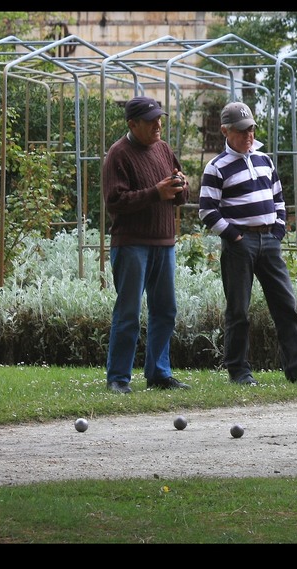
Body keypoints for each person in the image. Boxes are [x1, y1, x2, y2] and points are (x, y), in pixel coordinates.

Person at [198, 101, 297, 386]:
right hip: (240, 245)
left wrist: (278, 229)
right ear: (225, 131)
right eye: (242, 131)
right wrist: (235, 237)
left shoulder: (264, 160)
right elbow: (207, 210)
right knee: (238, 310)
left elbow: (278, 197)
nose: (248, 136)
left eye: (251, 129)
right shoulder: (216, 167)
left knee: (286, 305)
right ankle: (239, 371)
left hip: (269, 240)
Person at [102, 96, 191, 394]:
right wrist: (156, 192)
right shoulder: (118, 154)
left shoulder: (163, 149)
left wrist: (180, 187)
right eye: (151, 120)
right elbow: (115, 200)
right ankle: (118, 378)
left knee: (165, 310)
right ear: (132, 124)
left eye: (159, 118)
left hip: (164, 243)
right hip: (131, 245)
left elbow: (178, 192)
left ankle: (159, 373)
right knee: (128, 312)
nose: (158, 124)